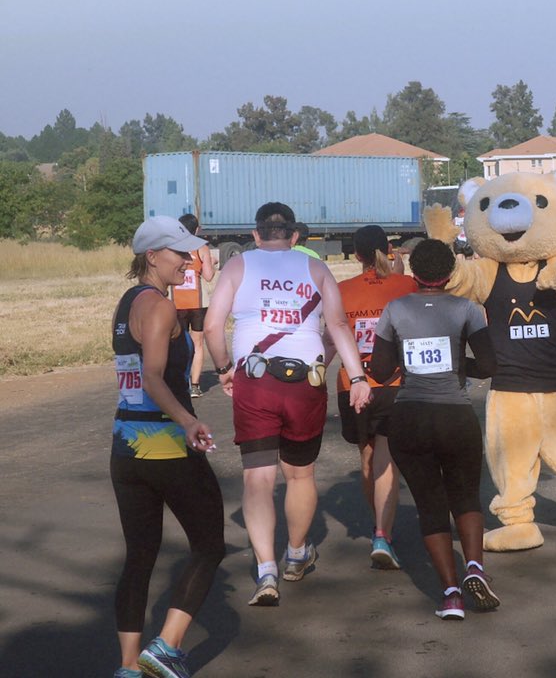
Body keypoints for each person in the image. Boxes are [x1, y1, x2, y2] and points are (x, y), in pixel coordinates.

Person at [204, 202, 371, 607]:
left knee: (257, 480)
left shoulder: (238, 265)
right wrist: (360, 377)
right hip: (305, 382)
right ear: (295, 236)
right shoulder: (315, 269)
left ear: (256, 234)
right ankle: (297, 551)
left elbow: (212, 326)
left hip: (255, 380)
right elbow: (337, 326)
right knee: (299, 476)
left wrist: (225, 368)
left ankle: (265, 570)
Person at [111, 216, 225, 678]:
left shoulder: (127, 302)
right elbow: (154, 377)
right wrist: (190, 420)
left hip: (126, 447)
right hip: (164, 446)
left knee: (140, 555)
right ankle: (166, 646)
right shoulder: (158, 307)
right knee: (210, 544)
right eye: (181, 253)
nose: (190, 261)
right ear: (153, 256)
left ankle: (127, 668)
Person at [369, 238, 500, 620]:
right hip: (454, 416)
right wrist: (457, 369)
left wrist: (407, 365)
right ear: (449, 274)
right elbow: (489, 365)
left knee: (430, 505)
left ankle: (450, 594)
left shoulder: (394, 309)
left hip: (409, 417)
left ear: (414, 273)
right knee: (465, 496)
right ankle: (474, 566)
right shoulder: (468, 309)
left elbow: (379, 370)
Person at [333, 225, 417, 569]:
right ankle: (384, 533)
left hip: (352, 384)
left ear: (356, 256)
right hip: (395, 384)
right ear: (389, 250)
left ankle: (377, 526)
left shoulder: (341, 291)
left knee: (367, 458)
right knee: (387, 461)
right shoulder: (407, 286)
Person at [169, 214, 215, 399]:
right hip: (197, 304)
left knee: (176, 344)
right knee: (197, 344)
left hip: (176, 303)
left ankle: (178, 383)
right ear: (197, 229)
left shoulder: (173, 248)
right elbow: (209, 276)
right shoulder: (201, 248)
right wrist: (211, 262)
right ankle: (195, 386)